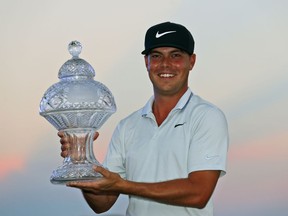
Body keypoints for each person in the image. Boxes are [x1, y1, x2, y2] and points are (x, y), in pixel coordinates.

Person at [59, 21, 229, 216]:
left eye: (175, 55)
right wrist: (81, 160)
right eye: (156, 56)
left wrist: (123, 185)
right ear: (146, 62)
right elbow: (102, 204)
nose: (165, 64)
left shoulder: (206, 116)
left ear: (192, 61)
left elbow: (198, 194)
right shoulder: (127, 126)